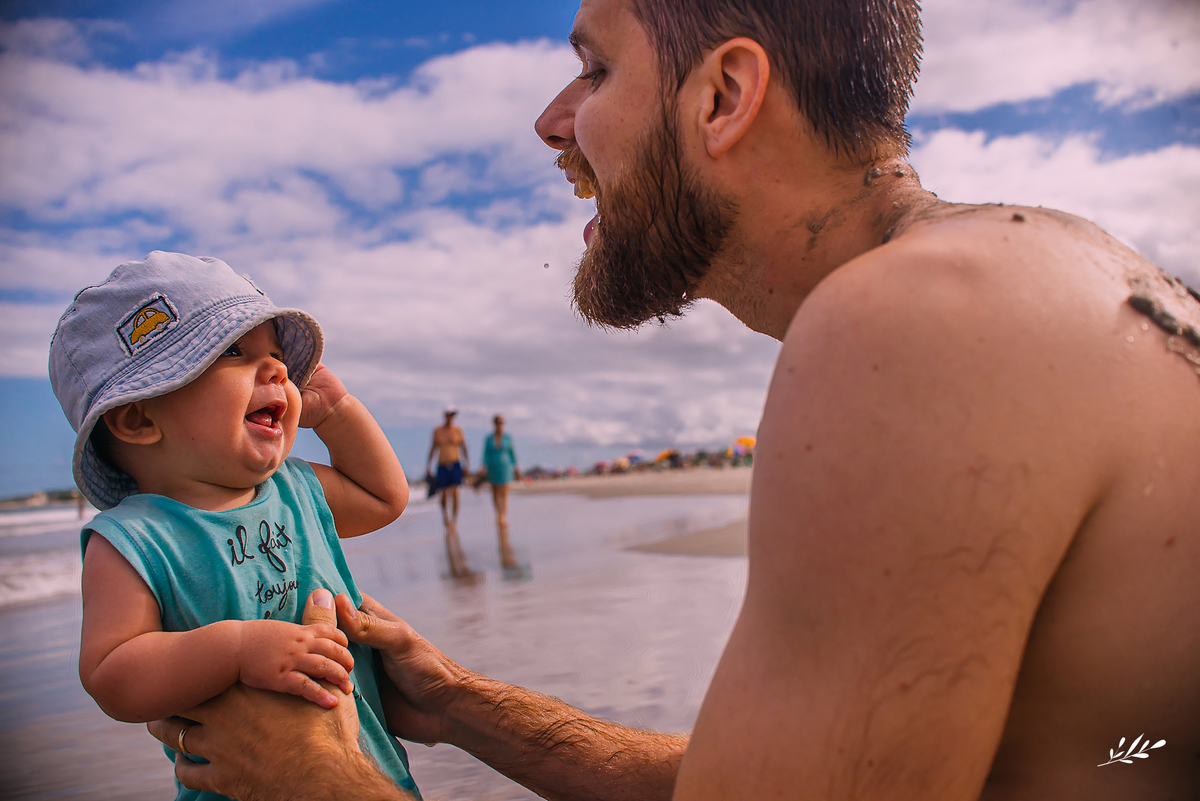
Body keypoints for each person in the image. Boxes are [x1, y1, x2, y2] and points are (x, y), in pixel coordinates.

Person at [150, 1, 1200, 799]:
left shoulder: (909, 324)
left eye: (596, 70)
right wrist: (470, 708)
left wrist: (330, 784)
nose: (551, 123)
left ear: (723, 97)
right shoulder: (1049, 267)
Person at [49, 252, 420, 801]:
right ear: (137, 417)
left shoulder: (294, 489)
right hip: (242, 782)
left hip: (363, 772)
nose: (276, 370)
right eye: (234, 353)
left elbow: (383, 497)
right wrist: (239, 648)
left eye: (275, 353)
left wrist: (337, 411)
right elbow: (113, 676)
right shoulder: (135, 539)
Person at [425, 407, 471, 577]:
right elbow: (433, 448)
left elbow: (464, 447)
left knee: (455, 493)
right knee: (443, 494)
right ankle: (446, 517)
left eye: (452, 415)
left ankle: (454, 521)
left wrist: (467, 464)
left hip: (456, 463)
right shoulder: (438, 431)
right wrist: (428, 465)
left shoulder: (458, 431)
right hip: (442, 465)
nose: (450, 417)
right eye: (448, 415)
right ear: (444, 415)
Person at [479, 414, 521, 570]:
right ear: (494, 423)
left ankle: (503, 515)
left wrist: (516, 467)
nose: (499, 424)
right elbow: (485, 454)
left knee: (504, 492)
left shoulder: (508, 438)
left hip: (505, 466)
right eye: (497, 422)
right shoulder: (488, 439)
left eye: (502, 422)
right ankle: (498, 514)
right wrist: (483, 465)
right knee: (495, 492)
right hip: (493, 467)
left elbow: (512, 453)